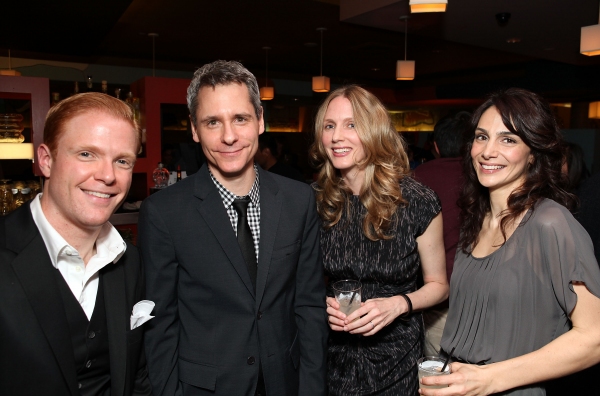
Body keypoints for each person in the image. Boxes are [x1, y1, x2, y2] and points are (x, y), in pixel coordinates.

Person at [139, 60, 328, 396]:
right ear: (195, 130)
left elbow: (309, 306)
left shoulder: (298, 200)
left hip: (285, 382)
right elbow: (160, 324)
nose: (229, 136)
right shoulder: (164, 213)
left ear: (260, 121)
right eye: (213, 122)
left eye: (240, 118)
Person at [427, 88, 600, 395]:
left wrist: (490, 379)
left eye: (508, 139)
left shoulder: (550, 224)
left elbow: (594, 337)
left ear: (533, 151)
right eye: (481, 137)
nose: (488, 151)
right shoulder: (477, 220)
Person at [0, 92, 152, 395]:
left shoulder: (130, 261)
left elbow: (136, 375)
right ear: (46, 160)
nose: (108, 176)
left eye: (122, 161)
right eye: (86, 154)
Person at [310, 85, 449, 395]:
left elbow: (439, 287)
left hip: (395, 359)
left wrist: (400, 304)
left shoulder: (417, 202)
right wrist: (320, 303)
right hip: (332, 354)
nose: (336, 137)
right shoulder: (314, 201)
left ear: (374, 131)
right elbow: (299, 281)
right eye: (329, 126)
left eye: (351, 125)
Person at [413, 111, 470, 356]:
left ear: (435, 146)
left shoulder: (414, 180)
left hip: (433, 302)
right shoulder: (487, 178)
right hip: (481, 301)